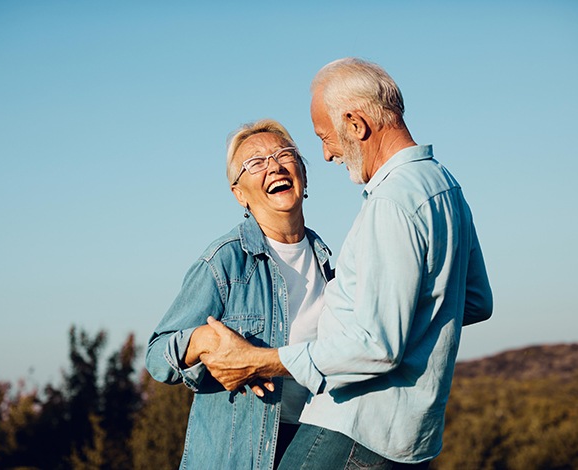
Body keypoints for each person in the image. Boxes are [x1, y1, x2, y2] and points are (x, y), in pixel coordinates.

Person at [201, 57, 493, 468]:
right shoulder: (444, 185)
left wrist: (260, 360)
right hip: (413, 439)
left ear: (356, 125)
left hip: (354, 428)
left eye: (326, 137)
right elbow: (476, 300)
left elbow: (377, 346)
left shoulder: (391, 203)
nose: (326, 154)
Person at [145, 119, 333, 469]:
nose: (274, 166)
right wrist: (202, 340)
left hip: (311, 443)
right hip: (239, 456)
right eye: (255, 163)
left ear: (303, 174)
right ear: (239, 193)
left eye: (284, 154)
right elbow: (157, 355)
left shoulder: (329, 262)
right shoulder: (225, 260)